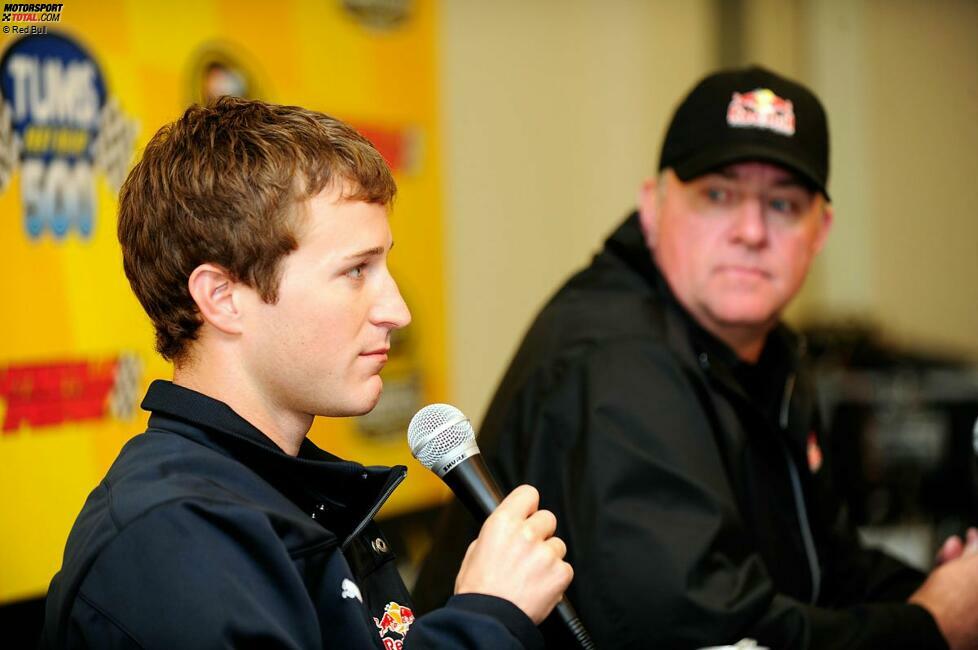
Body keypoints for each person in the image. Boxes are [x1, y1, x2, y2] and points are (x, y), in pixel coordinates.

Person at [413, 65, 978, 649]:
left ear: (821, 230)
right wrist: (930, 626)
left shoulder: (763, 349)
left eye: (783, 204)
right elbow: (709, 636)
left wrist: (951, 587)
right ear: (652, 207)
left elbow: (822, 563)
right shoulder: (616, 362)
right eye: (718, 195)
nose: (752, 231)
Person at [42, 97, 573, 649]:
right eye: (355, 271)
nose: (397, 310)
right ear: (223, 298)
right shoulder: (170, 537)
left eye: (384, 265)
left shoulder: (290, 495)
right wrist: (486, 621)